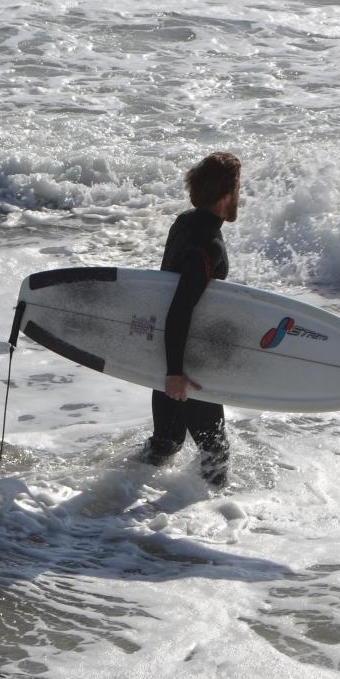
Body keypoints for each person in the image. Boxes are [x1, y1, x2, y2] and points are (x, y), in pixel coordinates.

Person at [139, 151, 241, 487]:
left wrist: (167, 370)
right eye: (239, 188)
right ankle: (210, 525)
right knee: (217, 459)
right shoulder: (208, 246)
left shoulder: (185, 222)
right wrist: (176, 374)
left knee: (164, 448)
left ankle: (110, 508)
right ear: (227, 195)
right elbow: (181, 309)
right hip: (188, 366)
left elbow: (166, 293)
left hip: (168, 353)